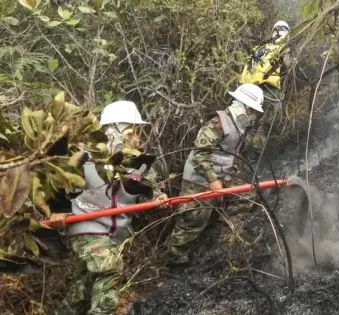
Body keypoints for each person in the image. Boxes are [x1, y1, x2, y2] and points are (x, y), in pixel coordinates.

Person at [51, 100, 171, 315]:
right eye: (131, 131)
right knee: (109, 269)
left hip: (116, 233)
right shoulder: (84, 155)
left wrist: (159, 197)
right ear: (113, 129)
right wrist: (57, 208)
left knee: (86, 287)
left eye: (137, 131)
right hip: (86, 225)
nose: (136, 136)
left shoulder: (139, 161)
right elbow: (58, 180)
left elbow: (149, 188)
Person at [165, 83, 266, 265]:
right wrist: (212, 179)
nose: (254, 117)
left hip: (222, 176)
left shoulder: (238, 125)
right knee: (193, 220)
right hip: (199, 178)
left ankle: (224, 235)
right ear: (247, 108)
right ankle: (174, 259)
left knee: (246, 195)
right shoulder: (218, 123)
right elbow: (200, 152)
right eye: (254, 112)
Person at [238, 21, 294, 136]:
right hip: (266, 89)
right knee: (273, 117)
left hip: (244, 88)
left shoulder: (259, 48)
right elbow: (287, 67)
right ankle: (254, 147)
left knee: (245, 120)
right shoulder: (283, 48)